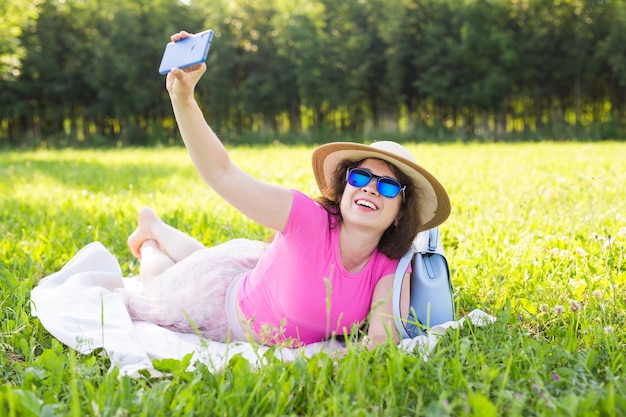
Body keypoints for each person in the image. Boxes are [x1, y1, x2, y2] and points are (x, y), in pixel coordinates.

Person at [120, 31, 451, 348]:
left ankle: (156, 227)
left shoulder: (389, 264)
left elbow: (384, 333)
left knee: (199, 260)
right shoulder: (307, 218)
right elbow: (222, 173)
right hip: (219, 307)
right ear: (345, 185)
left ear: (401, 212)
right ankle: (150, 239)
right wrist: (183, 98)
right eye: (361, 178)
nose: (371, 190)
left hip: (263, 277)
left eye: (389, 186)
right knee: (160, 283)